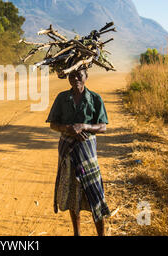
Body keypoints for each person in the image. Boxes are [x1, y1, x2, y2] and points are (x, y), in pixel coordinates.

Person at [47, 67, 110, 236]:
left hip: (87, 153)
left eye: (79, 75)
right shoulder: (62, 98)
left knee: (94, 193)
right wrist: (67, 128)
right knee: (72, 195)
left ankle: (101, 234)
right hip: (68, 152)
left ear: (86, 77)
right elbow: (53, 124)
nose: (75, 78)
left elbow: (103, 126)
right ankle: (77, 233)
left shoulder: (95, 99)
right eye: (72, 75)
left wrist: (85, 126)